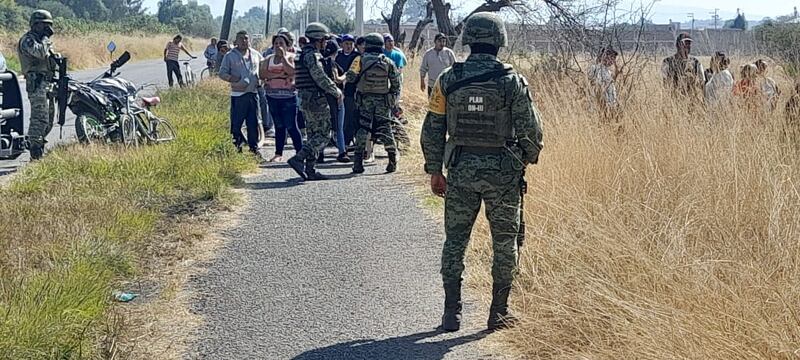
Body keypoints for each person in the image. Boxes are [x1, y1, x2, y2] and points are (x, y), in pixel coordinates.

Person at [420, 12, 543, 332]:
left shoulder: (448, 78)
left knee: (455, 241)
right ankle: (498, 312)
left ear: (469, 40)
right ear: (499, 40)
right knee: (505, 243)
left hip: (460, 171)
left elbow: (432, 128)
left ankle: (451, 313)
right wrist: (527, 158)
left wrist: (435, 170)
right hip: (503, 176)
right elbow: (531, 131)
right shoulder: (512, 80)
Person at [286, 23, 343, 181]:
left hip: (306, 99)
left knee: (313, 134)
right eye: (324, 39)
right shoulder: (312, 55)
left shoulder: (302, 53)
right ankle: (299, 158)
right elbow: (319, 76)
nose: (326, 42)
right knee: (324, 134)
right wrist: (335, 91)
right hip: (316, 99)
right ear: (318, 39)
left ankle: (310, 169)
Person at [346, 33, 401, 174]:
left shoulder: (360, 59)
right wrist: (391, 97)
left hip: (365, 100)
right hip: (383, 101)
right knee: (386, 128)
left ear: (367, 45)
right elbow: (396, 82)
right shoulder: (387, 62)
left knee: (363, 129)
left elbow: (350, 78)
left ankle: (358, 163)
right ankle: (392, 161)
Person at [17, 9, 57, 160]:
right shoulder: (28, 40)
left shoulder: (42, 41)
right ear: (34, 25)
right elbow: (39, 53)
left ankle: (39, 144)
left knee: (48, 120)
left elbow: (49, 59)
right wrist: (46, 39)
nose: (47, 29)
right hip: (37, 83)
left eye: (48, 26)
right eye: (43, 25)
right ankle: (35, 150)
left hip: (47, 83)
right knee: (39, 118)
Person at [219, 30, 265, 160]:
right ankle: (237, 149)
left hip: (253, 93)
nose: (244, 41)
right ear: (236, 41)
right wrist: (233, 79)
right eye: (241, 39)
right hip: (238, 95)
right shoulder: (230, 56)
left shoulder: (255, 54)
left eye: (246, 38)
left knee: (253, 122)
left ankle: (253, 149)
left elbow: (262, 68)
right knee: (236, 124)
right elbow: (222, 73)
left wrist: (262, 80)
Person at [260, 33, 302, 163]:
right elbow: (262, 73)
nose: (278, 46)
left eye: (281, 43)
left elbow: (292, 72)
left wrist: (283, 58)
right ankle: (278, 153)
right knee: (279, 126)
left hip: (288, 97)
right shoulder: (268, 59)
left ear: (287, 45)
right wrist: (279, 75)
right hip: (273, 96)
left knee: (291, 125)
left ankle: (300, 153)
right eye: (276, 44)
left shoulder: (291, 57)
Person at [320, 39, 350, 163]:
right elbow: (337, 79)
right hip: (336, 97)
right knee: (339, 127)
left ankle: (320, 153)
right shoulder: (332, 63)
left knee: (323, 127)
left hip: (322, 98)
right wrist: (347, 75)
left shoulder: (319, 63)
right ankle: (342, 152)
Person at [661, 33, 705, 98]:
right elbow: (665, 84)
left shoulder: (696, 63)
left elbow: (702, 83)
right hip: (673, 99)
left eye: (689, 43)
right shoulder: (667, 62)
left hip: (691, 100)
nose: (687, 46)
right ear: (678, 45)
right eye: (685, 43)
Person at [336, 34, 361, 148]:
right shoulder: (338, 56)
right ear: (341, 44)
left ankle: (348, 140)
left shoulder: (357, 56)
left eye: (351, 44)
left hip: (352, 91)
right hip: (338, 90)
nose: (349, 46)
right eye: (346, 43)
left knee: (350, 116)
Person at [587, 47, 619, 118]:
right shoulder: (596, 68)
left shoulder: (608, 71)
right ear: (605, 57)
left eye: (614, 59)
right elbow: (598, 88)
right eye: (611, 58)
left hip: (609, 107)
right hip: (599, 105)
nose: (612, 61)